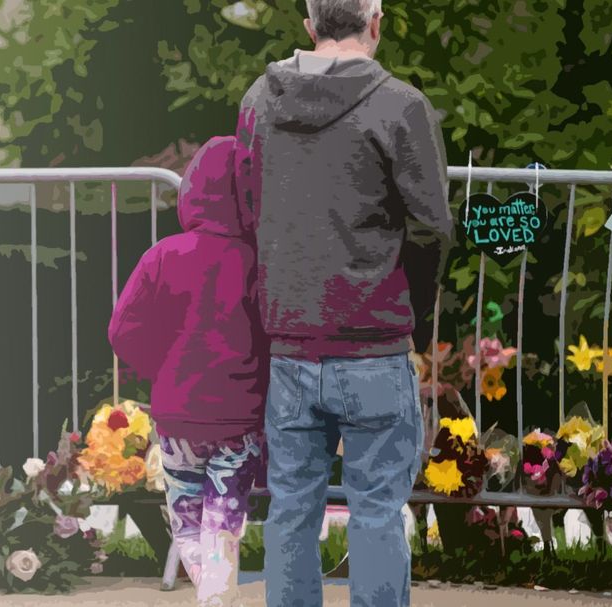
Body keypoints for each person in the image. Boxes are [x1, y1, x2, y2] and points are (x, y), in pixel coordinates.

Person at [234, 0, 454, 604]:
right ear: (375, 22)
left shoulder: (259, 101)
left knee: (290, 511)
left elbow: (249, 208)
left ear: (309, 26)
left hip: (289, 344)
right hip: (375, 346)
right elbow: (433, 228)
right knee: (378, 513)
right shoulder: (401, 105)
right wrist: (417, 316)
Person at [108, 136, 267, 607]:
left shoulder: (163, 255)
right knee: (224, 521)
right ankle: (217, 595)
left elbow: (122, 330)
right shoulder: (258, 262)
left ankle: (211, 595)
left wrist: (163, 367)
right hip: (241, 418)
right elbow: (273, 333)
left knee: (187, 518)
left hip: (177, 417)